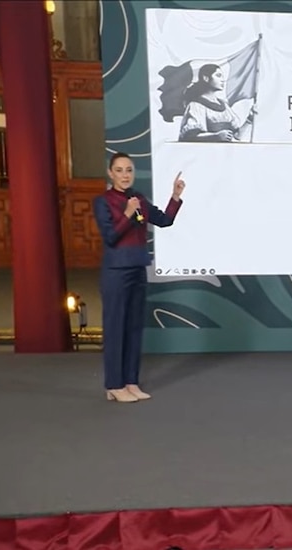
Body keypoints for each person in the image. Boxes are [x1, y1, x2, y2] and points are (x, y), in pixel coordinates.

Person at [91, 152, 185, 403]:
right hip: (115, 272)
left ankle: (130, 381)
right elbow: (110, 237)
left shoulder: (139, 198)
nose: (125, 175)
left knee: (133, 328)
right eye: (119, 170)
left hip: (137, 268)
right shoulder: (103, 201)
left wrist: (175, 197)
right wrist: (128, 214)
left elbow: (164, 221)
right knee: (115, 329)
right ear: (111, 174)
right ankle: (114, 384)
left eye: (129, 170)